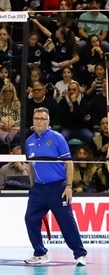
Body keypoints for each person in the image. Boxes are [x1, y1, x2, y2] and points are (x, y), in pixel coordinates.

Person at [24, 107, 87, 266]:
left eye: (42, 119)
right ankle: (40, 253)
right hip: (39, 189)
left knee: (66, 222)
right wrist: (33, 186)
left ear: (48, 121)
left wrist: (68, 186)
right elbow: (31, 165)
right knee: (30, 219)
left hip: (57, 188)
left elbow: (69, 163)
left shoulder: (57, 138)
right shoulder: (29, 141)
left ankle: (80, 254)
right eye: (36, 118)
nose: (39, 121)